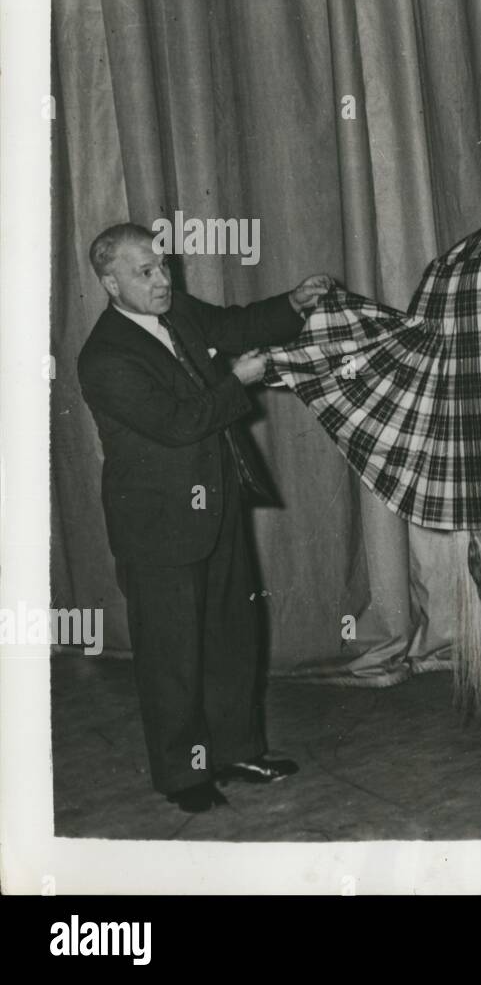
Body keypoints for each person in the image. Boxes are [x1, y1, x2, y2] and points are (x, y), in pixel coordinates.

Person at [77, 222, 331, 813]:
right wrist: (236, 379)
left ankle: (239, 750)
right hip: (158, 528)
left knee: (231, 639)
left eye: (163, 265)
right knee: (172, 655)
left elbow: (234, 325)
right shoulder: (104, 357)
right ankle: (183, 773)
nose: (163, 279)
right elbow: (177, 423)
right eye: (145, 272)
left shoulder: (178, 310)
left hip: (216, 508)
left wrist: (291, 304)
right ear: (111, 282)